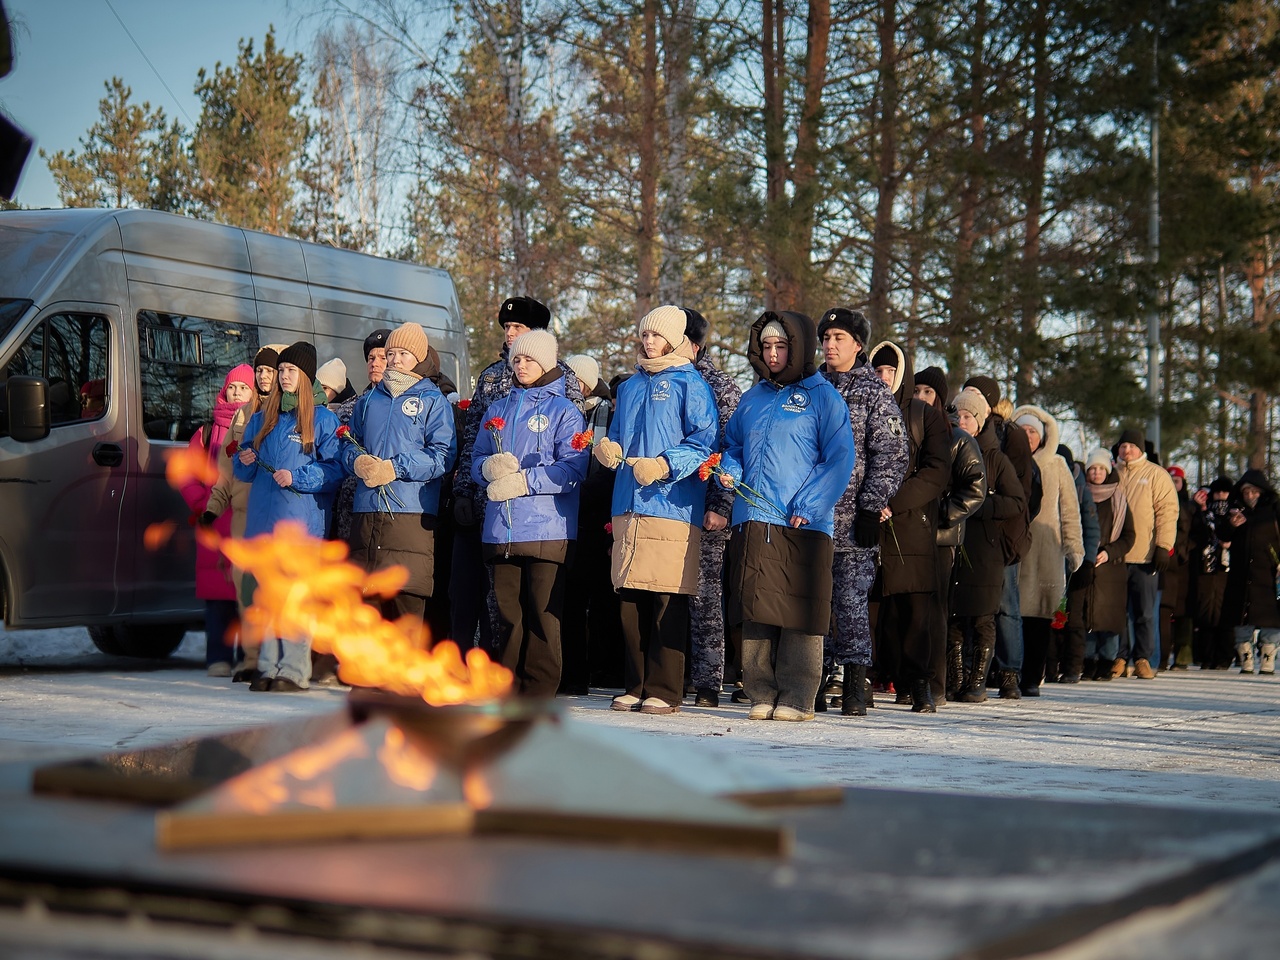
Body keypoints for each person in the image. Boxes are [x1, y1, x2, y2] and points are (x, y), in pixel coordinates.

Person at [720, 311, 855, 722]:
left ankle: (798, 697)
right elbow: (735, 445)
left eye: (782, 346)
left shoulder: (823, 397)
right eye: (767, 346)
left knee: (800, 610)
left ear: (798, 348)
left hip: (802, 521)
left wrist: (810, 506)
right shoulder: (752, 397)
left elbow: (839, 458)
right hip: (754, 516)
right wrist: (731, 470)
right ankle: (760, 689)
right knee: (756, 607)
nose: (774, 353)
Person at [595, 304, 717, 715]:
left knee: (666, 598)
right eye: (644, 335)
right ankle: (635, 683)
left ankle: (664, 689)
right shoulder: (629, 387)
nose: (648, 342)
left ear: (676, 340)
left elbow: (704, 442)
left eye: (656, 336)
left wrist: (666, 465)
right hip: (628, 502)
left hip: (671, 505)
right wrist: (608, 447)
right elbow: (616, 433)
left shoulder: (691, 384)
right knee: (629, 598)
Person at [452, 297, 585, 651]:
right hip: (495, 508)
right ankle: (500, 669)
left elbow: (572, 451)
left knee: (541, 607)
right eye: (507, 328)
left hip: (543, 517)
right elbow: (473, 442)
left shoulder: (565, 386)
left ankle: (541, 680)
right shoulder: (493, 378)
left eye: (518, 329)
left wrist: (525, 481)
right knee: (500, 606)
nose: (510, 334)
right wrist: (469, 483)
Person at [470, 330, 588, 696]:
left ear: (547, 363)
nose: (521, 366)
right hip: (501, 528)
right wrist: (487, 470)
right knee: (507, 616)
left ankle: (538, 691)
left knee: (542, 615)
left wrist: (524, 481)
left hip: (547, 527)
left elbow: (574, 468)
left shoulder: (565, 411)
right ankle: (507, 687)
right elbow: (474, 459)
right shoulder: (497, 409)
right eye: (516, 360)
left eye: (529, 360)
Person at [233, 341, 344, 691]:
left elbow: (336, 469)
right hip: (263, 525)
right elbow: (243, 468)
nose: (282, 377)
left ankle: (294, 670)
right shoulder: (263, 417)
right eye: (281, 370)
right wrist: (245, 459)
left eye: (290, 370)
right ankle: (267, 667)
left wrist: (299, 477)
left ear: (306, 376)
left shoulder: (322, 419)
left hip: (301, 525)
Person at [816, 308, 908, 717]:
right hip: (809, 520)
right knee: (811, 605)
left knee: (851, 607)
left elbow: (890, 454)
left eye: (839, 337)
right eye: (826, 337)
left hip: (853, 523)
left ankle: (855, 685)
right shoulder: (810, 387)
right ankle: (812, 683)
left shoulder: (874, 392)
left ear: (858, 344)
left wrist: (871, 507)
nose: (830, 344)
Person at [340, 321, 457, 628]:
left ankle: (404, 675)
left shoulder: (433, 400)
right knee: (369, 604)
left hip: (410, 514)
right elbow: (349, 443)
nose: (394, 360)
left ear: (417, 358)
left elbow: (442, 455)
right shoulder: (368, 400)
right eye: (391, 353)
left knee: (406, 604)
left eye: (403, 353)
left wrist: (395, 467)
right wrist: (358, 462)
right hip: (367, 512)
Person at [867, 340, 950, 712]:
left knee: (916, 611)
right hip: (867, 521)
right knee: (867, 608)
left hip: (911, 523)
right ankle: (863, 678)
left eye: (890, 371)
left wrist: (893, 501)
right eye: (878, 370)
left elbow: (937, 471)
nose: (884, 378)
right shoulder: (860, 408)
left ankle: (918, 683)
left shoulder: (922, 414)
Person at [949, 388, 1026, 702]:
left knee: (983, 617)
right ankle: (956, 678)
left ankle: (978, 681)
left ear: (980, 422)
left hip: (986, 548)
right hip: (955, 543)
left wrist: (980, 505)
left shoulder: (996, 459)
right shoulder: (948, 448)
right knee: (954, 616)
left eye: (968, 416)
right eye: (959, 415)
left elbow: (1017, 501)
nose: (962, 421)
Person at [915, 367, 986, 702]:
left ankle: (936, 685)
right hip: (908, 531)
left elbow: (976, 488)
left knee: (936, 613)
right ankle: (908, 681)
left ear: (941, 398)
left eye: (928, 392)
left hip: (942, 537)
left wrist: (942, 516)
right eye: (916, 391)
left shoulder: (959, 438)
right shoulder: (907, 429)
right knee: (907, 611)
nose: (921, 398)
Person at [684, 307, 743, 708]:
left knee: (704, 595)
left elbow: (733, 449)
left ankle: (708, 679)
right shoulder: (653, 378)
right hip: (666, 503)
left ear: (694, 343)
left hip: (707, 503)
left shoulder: (720, 386)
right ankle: (673, 674)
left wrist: (721, 503)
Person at [963, 376, 1035, 695]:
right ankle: (973, 671)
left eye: (978, 394)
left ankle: (1009, 671)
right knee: (973, 605)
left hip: (1004, 533)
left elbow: (1025, 492)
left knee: (1005, 604)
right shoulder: (962, 430)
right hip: (973, 535)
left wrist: (997, 516)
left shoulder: (1010, 437)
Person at [182, 364, 255, 677]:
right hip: (214, 522)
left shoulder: (259, 425)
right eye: (232, 387)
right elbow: (187, 473)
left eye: (243, 388)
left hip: (245, 522)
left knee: (244, 592)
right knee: (217, 597)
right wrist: (202, 503)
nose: (236, 393)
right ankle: (218, 656)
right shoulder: (206, 432)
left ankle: (245, 656)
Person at [1009, 405, 1083, 697]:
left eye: (1032, 431)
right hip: (1014, 548)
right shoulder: (1008, 460)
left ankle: (1031, 677)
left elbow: (1070, 510)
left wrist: (1073, 546)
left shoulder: (1056, 465)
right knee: (1010, 613)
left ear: (1041, 436)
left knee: (1039, 615)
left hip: (1046, 552)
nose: (1027, 436)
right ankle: (1007, 674)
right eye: (1023, 430)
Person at [559, 352, 620, 693]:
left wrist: (581, 491)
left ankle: (606, 668)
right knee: (571, 597)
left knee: (602, 599)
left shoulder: (606, 413)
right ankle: (574, 673)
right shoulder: (564, 410)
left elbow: (611, 465)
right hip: (568, 514)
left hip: (599, 515)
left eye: (575, 379)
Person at [1113, 427, 1178, 679]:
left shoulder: (1156, 475)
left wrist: (1163, 546)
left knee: (1144, 612)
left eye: (1131, 446)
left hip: (1145, 555)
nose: (1127, 450)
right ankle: (1120, 657)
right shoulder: (1112, 474)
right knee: (1117, 610)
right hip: (1116, 556)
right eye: (1123, 446)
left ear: (1141, 449)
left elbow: (1167, 512)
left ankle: (1143, 658)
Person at [1078, 449, 1136, 680]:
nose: (1097, 473)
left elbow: (1129, 535)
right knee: (1087, 615)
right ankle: (1088, 659)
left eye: (1101, 469)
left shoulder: (1119, 498)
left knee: (1109, 619)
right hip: (1086, 563)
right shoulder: (1081, 493)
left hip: (1112, 567)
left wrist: (1109, 552)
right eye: (1093, 469)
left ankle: (1107, 660)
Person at [1221, 470, 1280, 676]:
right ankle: (1245, 657)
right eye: (1246, 491)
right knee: (1241, 615)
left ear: (1262, 492)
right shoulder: (1235, 511)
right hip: (1241, 573)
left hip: (1269, 573)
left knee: (1270, 617)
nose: (1250, 496)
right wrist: (1230, 525)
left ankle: (1268, 657)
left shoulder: (1274, 509)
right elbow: (1222, 534)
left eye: (1254, 491)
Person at [1052, 443, 1099, 684]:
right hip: (1051, 560)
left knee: (1074, 619)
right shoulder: (1047, 481)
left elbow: (1091, 529)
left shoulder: (1081, 489)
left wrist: (1088, 561)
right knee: (1050, 614)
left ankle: (1072, 666)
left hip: (1076, 563)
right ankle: (1049, 664)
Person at [1189, 476, 1236, 668]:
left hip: (1227, 569)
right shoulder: (1204, 513)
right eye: (1217, 492)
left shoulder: (1235, 513)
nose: (1221, 496)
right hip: (1206, 567)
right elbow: (1197, 533)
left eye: (1224, 492)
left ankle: (1224, 656)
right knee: (1206, 612)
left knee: (1225, 612)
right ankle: (1205, 656)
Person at [1159, 465, 1195, 670]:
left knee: (1182, 612)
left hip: (1182, 565)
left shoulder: (1189, 506)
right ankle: (1162, 656)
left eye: (1177, 481)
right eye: (1170, 481)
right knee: (1163, 611)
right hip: (1165, 563)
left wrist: (1183, 550)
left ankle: (1182, 657)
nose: (1173, 485)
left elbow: (1195, 534)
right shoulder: (1161, 501)